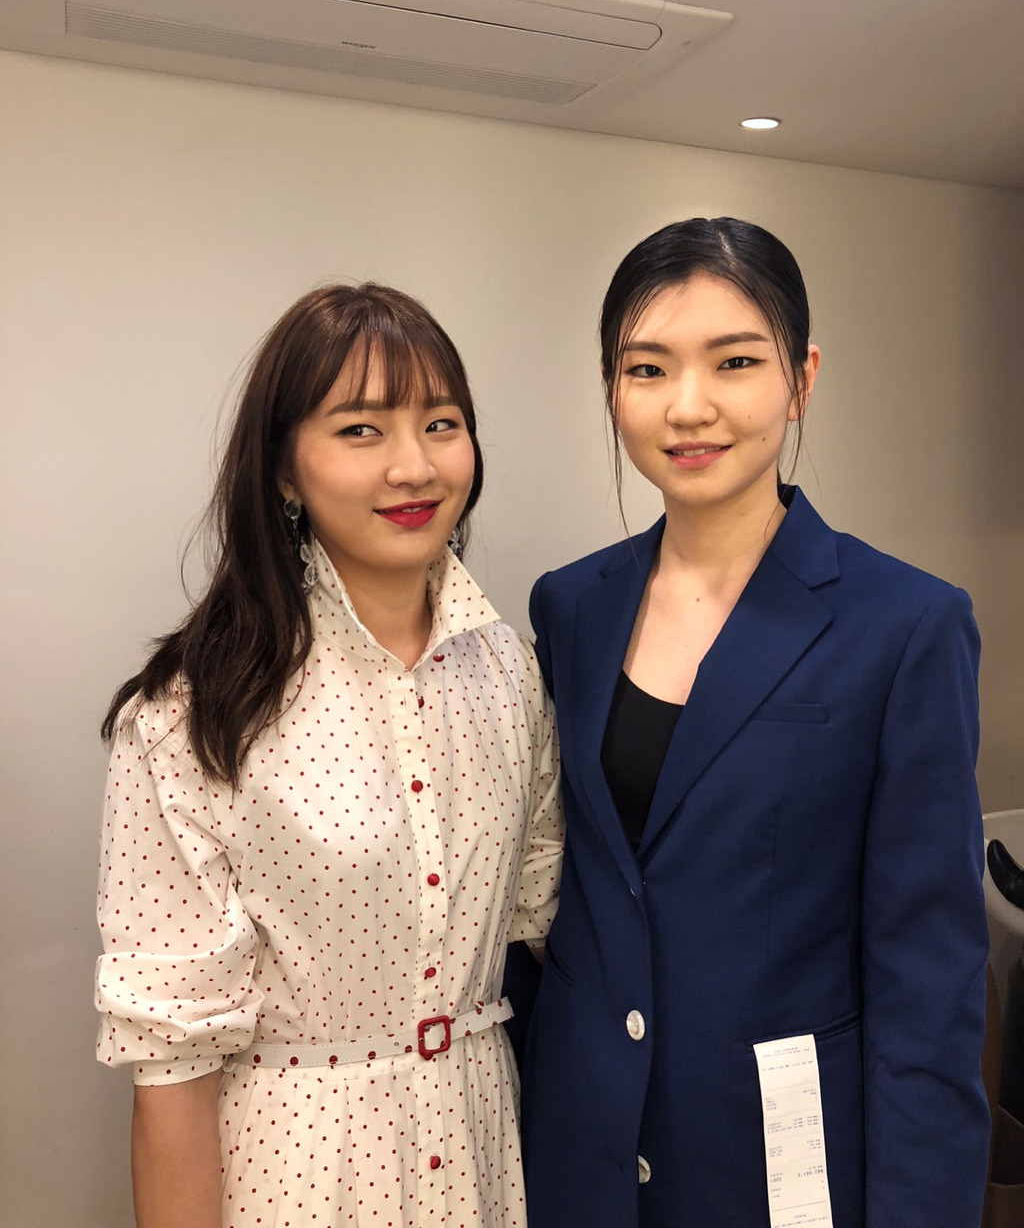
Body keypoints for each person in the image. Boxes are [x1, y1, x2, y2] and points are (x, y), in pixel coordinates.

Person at [517, 218, 989, 1228]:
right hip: (579, 1150)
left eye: (734, 361)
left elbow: (929, 983)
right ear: (610, 387)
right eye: (648, 368)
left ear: (801, 378)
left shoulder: (904, 624)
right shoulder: (570, 608)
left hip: (775, 1166)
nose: (688, 405)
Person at [95, 283, 562, 1228]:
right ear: (283, 469)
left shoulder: (510, 672)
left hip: (480, 1154)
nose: (413, 465)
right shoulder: (194, 710)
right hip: (301, 1174)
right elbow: (172, 1066)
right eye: (360, 430)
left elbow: (546, 921)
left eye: (441, 424)